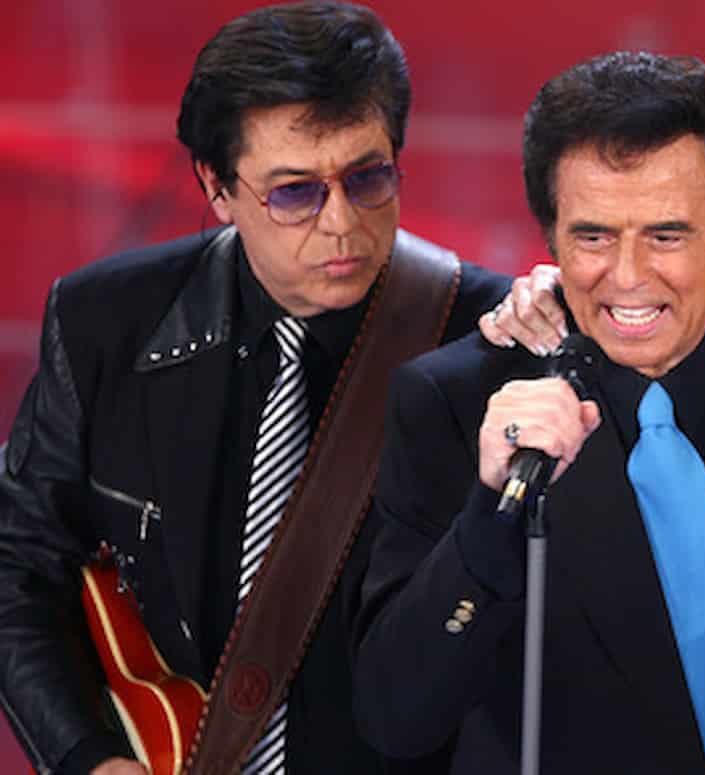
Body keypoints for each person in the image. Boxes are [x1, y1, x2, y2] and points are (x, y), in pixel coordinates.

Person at [352, 51, 705, 774]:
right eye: (593, 235)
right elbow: (395, 715)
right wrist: (492, 513)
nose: (626, 276)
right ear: (551, 237)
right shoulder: (456, 403)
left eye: (665, 235)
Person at [0, 3, 521, 774]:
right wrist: (88, 757)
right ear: (217, 187)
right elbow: (17, 564)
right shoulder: (105, 322)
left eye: (368, 177)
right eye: (295, 192)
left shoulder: (495, 338)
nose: (341, 222)